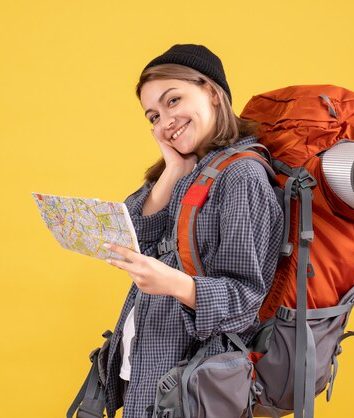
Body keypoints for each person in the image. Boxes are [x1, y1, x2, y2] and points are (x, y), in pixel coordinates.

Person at [102, 44, 284, 418]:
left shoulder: (241, 178)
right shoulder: (194, 171)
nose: (163, 121)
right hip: (148, 368)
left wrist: (173, 283)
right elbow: (131, 236)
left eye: (173, 101)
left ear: (213, 93)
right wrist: (171, 169)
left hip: (191, 382)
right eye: (152, 116)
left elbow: (245, 297)